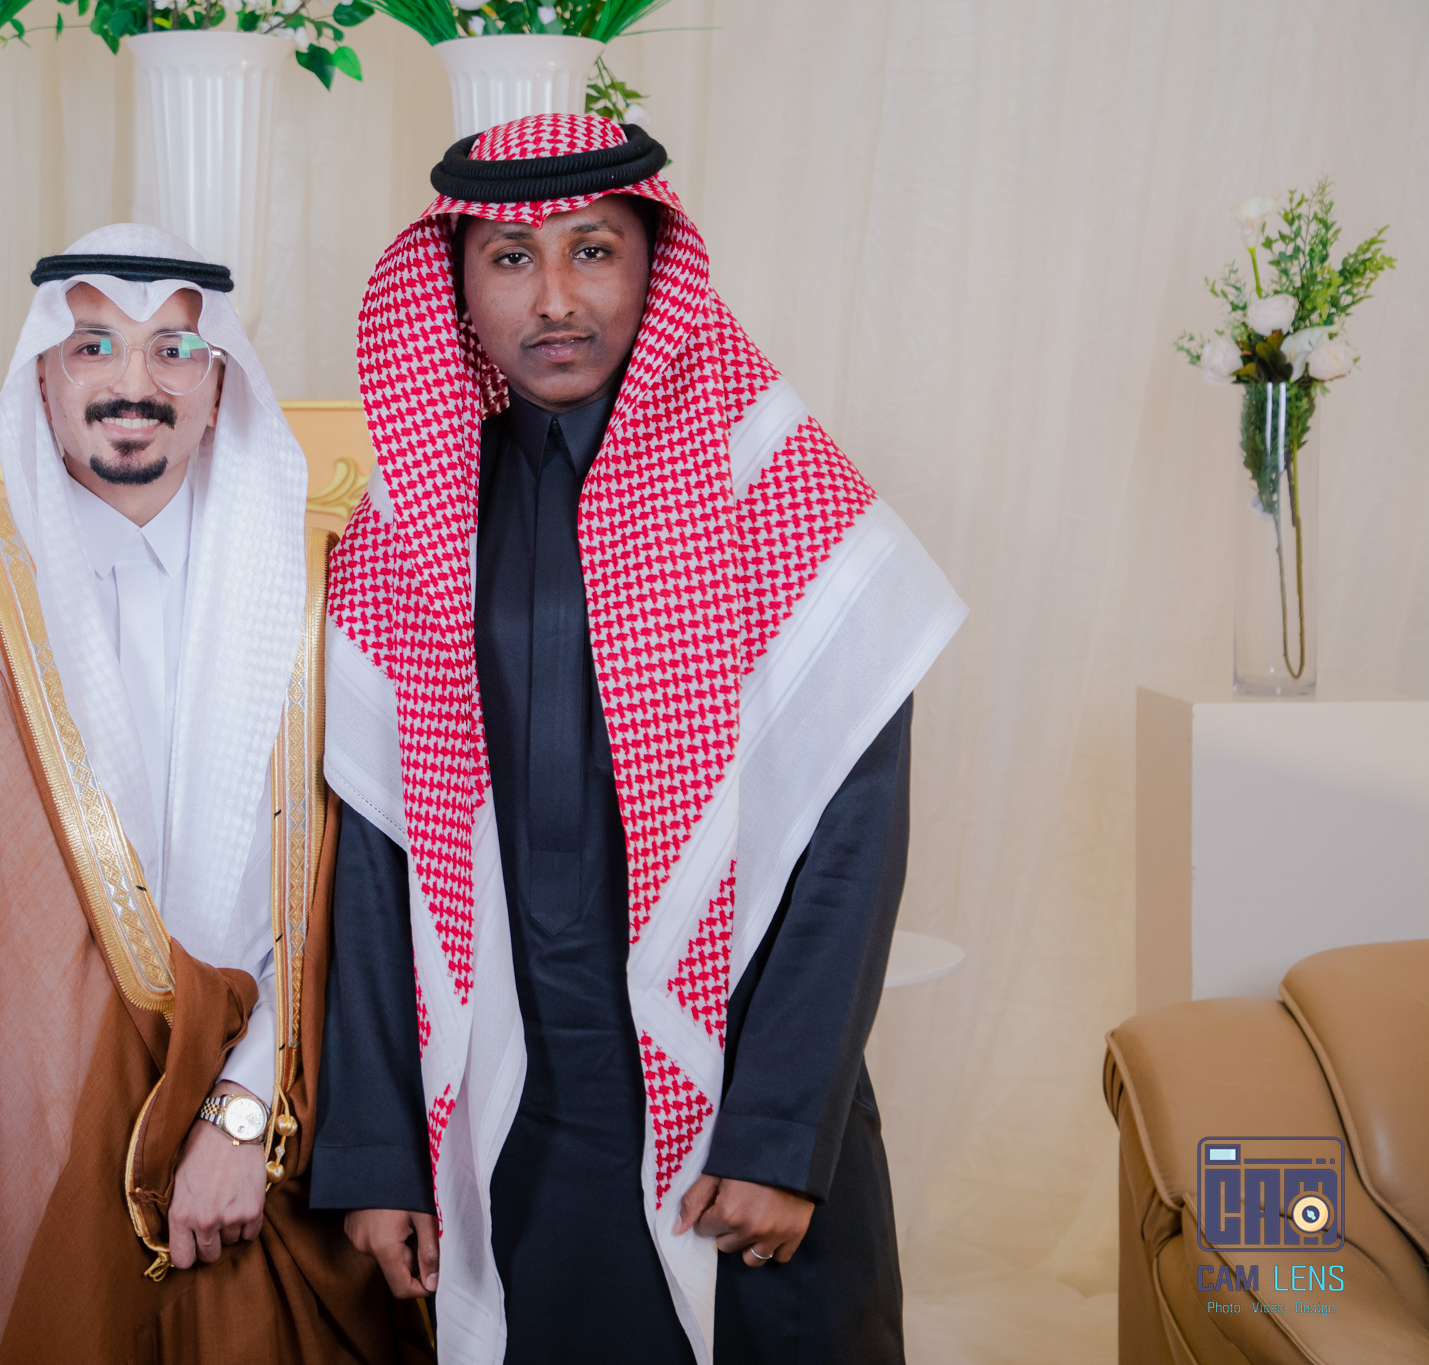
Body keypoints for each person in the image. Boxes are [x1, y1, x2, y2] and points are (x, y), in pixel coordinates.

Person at [311, 115, 967, 1364]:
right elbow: (374, 860)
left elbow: (850, 844)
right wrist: (378, 1153)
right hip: (516, 1113)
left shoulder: (775, 485)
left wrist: (776, 1139)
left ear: (652, 264)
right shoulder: (410, 524)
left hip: (737, 1108)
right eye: (511, 257)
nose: (554, 299)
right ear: (455, 283)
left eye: (593, 250)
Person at [0, 225, 414, 1363]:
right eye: (93, 346)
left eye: (174, 351)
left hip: (261, 1161)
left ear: (220, 385)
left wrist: (244, 1113)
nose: (132, 384)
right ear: (43, 379)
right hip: (0, 1165)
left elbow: (363, 895)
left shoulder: (324, 586)